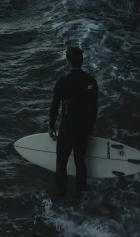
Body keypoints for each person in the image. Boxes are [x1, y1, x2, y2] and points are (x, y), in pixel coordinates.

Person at [49, 46, 98, 195]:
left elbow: (55, 107)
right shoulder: (91, 81)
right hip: (83, 128)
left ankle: (60, 193)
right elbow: (94, 108)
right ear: (82, 61)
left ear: (68, 61)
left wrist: (51, 126)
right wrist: (90, 127)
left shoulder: (63, 82)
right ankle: (81, 194)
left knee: (61, 162)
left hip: (67, 128)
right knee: (80, 161)